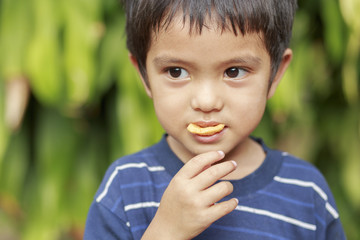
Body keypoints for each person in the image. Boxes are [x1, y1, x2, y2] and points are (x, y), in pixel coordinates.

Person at [84, 0, 346, 239]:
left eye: (234, 71)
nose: (207, 102)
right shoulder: (125, 189)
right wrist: (165, 231)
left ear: (275, 74)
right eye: (176, 72)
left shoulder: (306, 192)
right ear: (144, 76)